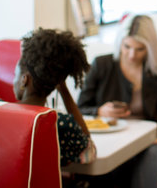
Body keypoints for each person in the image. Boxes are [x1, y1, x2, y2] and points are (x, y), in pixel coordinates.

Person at [77, 14, 157, 188]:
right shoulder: (102, 65)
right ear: (119, 42)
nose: (131, 55)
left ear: (150, 48)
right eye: (127, 47)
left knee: (150, 157)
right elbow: (80, 108)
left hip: (148, 145)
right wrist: (99, 111)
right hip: (113, 142)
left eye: (140, 49)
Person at [13, 28, 96, 167]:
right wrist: (63, 89)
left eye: (14, 75)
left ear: (24, 80)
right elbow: (89, 153)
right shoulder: (61, 125)